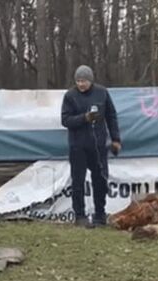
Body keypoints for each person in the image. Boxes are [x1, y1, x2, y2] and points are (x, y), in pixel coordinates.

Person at [60, 65, 122, 227]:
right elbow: (65, 120)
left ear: (91, 80)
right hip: (78, 146)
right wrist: (84, 118)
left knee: (100, 180)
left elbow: (111, 116)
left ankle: (100, 215)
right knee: (78, 181)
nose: (81, 84)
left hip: (98, 146)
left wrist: (116, 139)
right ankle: (80, 216)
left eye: (84, 81)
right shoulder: (70, 96)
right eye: (78, 81)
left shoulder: (102, 93)